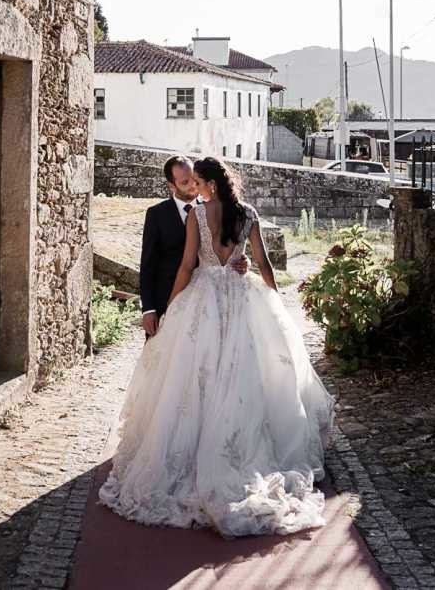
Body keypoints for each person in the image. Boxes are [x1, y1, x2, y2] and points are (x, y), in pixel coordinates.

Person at [100, 157, 335, 537]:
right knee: (243, 371)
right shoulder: (248, 214)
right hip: (241, 296)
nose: (193, 186)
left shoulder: (197, 215)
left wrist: (173, 305)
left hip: (204, 297)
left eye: (197, 180)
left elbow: (186, 266)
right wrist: (275, 303)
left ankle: (195, 455)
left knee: (197, 375)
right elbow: (264, 263)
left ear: (209, 183)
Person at [137, 155, 245, 338]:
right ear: (171, 186)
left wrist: (242, 260)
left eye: (194, 179)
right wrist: (148, 309)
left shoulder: (214, 208)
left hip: (207, 302)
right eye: (185, 182)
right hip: (168, 297)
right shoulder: (156, 214)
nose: (193, 185)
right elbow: (147, 265)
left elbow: (228, 244)